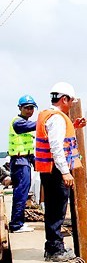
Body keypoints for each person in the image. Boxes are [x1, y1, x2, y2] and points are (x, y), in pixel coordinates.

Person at [35, 82, 87, 262]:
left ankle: (53, 246)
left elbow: (57, 137)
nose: (72, 103)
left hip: (48, 170)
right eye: (71, 100)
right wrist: (65, 172)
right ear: (64, 99)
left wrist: (73, 125)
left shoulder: (50, 116)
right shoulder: (57, 118)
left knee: (53, 209)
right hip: (56, 171)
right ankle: (55, 250)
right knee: (57, 211)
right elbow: (56, 146)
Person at [8, 95, 38, 233]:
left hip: (24, 160)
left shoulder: (24, 123)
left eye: (32, 108)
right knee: (21, 193)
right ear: (20, 108)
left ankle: (19, 223)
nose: (29, 110)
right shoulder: (19, 123)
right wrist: (48, 119)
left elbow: (28, 148)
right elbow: (34, 125)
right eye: (27, 108)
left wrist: (34, 161)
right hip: (19, 162)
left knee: (23, 192)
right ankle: (16, 224)